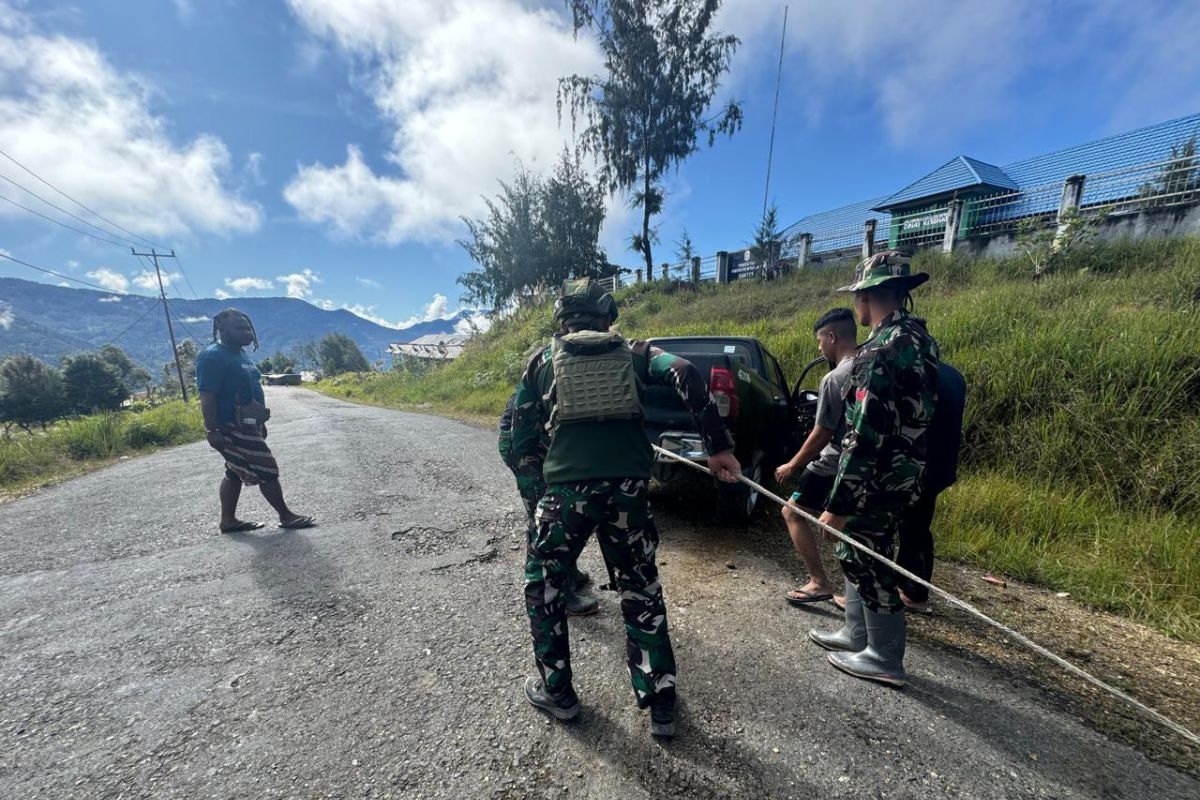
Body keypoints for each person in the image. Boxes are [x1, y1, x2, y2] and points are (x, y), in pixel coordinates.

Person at [512, 278, 741, 738]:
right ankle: (660, 703)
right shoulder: (637, 353)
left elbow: (521, 442)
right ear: (607, 316)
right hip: (628, 495)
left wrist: (539, 498)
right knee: (640, 589)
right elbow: (688, 374)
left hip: (565, 497)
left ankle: (558, 693)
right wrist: (717, 447)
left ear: (562, 319)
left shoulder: (540, 363)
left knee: (546, 588)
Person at [809, 251, 939, 688]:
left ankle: (884, 656)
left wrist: (840, 502)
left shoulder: (879, 352)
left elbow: (864, 435)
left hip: (876, 478)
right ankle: (856, 633)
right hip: (906, 472)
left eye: (858, 296)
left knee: (863, 553)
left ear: (866, 296)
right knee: (860, 551)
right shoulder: (919, 340)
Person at [197, 308, 315, 533]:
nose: (247, 332)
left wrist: (260, 423)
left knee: (233, 471)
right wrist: (212, 430)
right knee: (266, 468)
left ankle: (228, 521)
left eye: (248, 327)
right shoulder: (212, 356)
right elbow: (207, 396)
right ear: (221, 329)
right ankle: (286, 515)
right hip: (231, 426)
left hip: (249, 425)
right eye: (239, 328)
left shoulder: (239, 354)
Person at [774, 308, 858, 607]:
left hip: (833, 463)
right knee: (856, 528)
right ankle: (855, 597)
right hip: (862, 467)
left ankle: (818, 582)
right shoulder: (871, 365)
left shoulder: (835, 377)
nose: (819, 348)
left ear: (832, 336)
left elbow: (822, 433)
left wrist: (792, 464)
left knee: (792, 512)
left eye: (820, 341)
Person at [498, 392, 600, 616]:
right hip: (524, 447)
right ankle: (556, 593)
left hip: (546, 445)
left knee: (566, 513)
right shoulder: (551, 371)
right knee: (545, 518)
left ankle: (568, 572)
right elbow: (527, 433)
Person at [894, 362, 966, 613]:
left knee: (913, 528)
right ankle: (907, 586)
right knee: (915, 526)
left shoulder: (922, 376)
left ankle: (914, 593)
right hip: (941, 465)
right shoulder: (953, 375)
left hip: (919, 465)